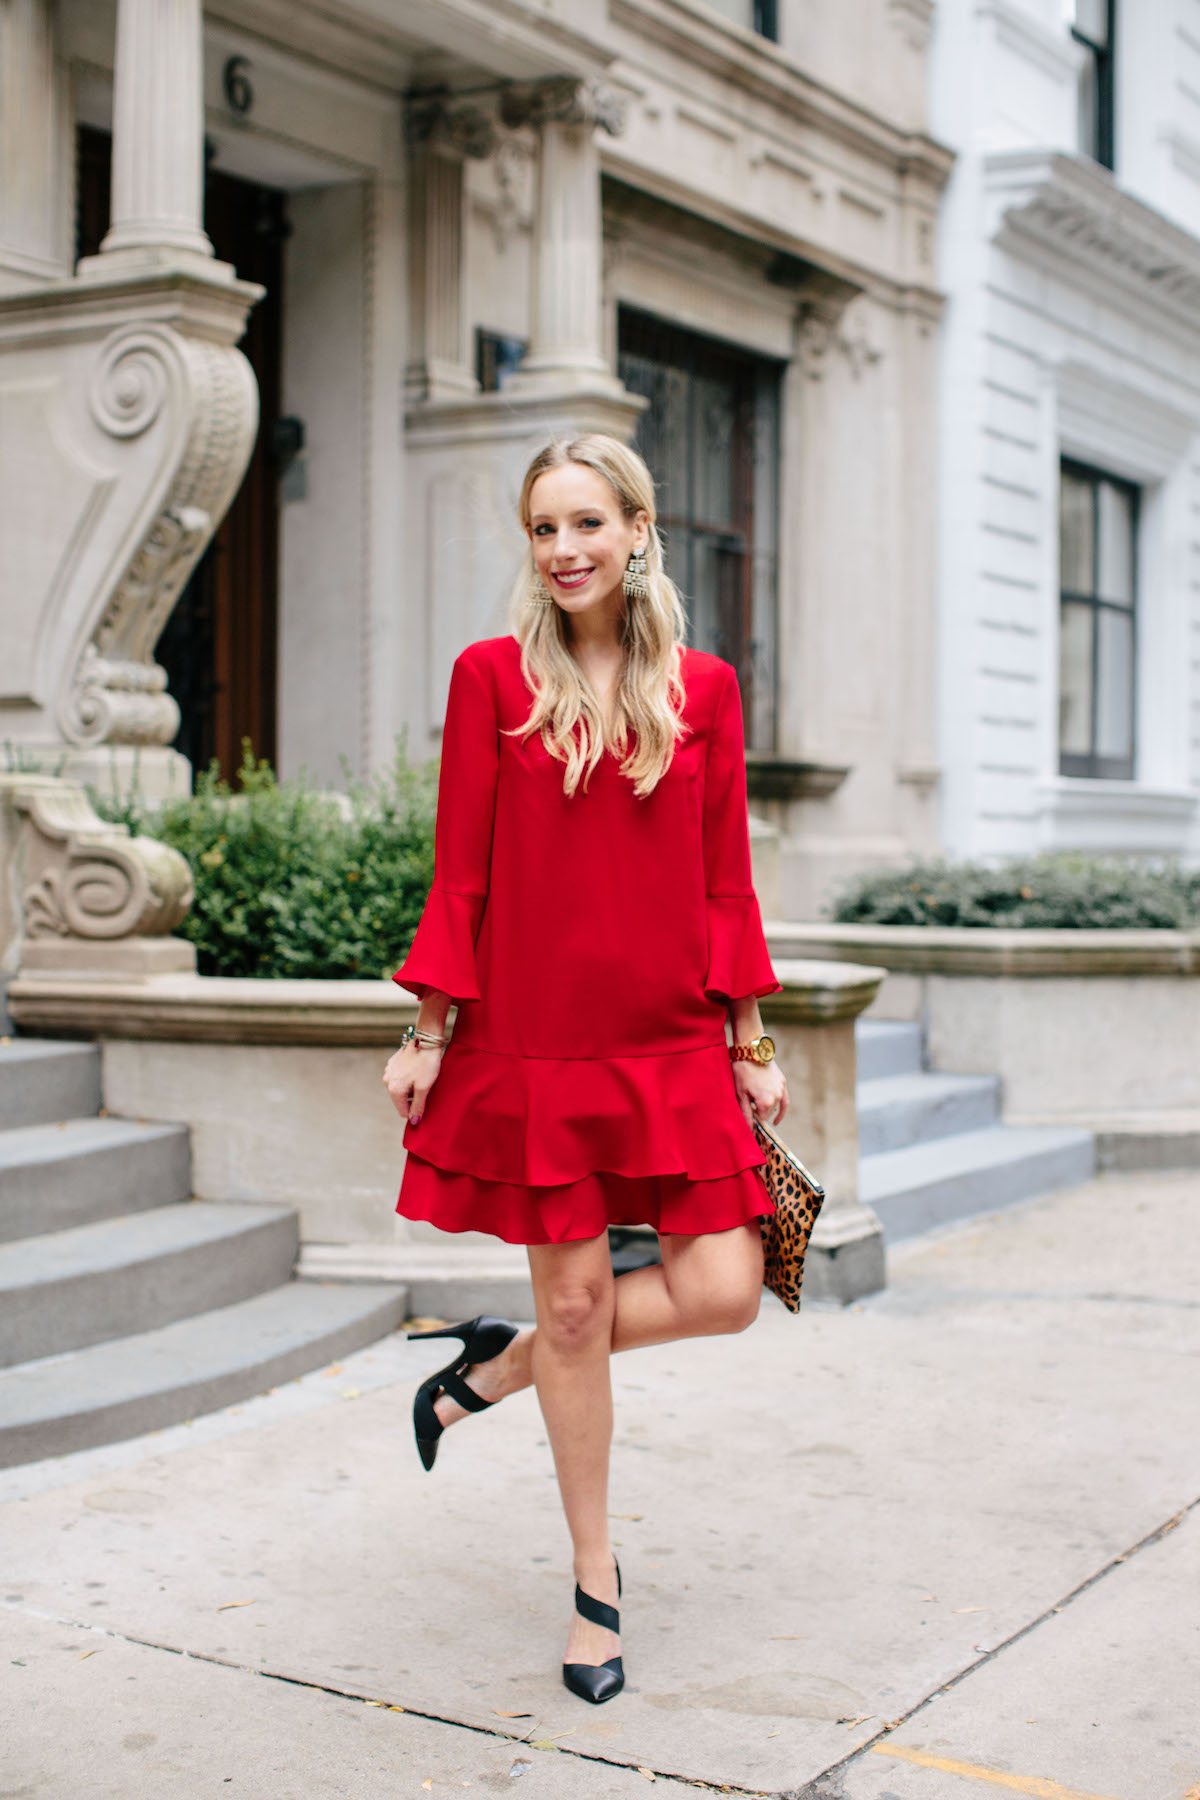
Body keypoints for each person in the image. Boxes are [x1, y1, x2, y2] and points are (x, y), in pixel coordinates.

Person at [383, 433, 787, 1706]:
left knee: (725, 1285)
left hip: (669, 1036)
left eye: (586, 525)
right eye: (543, 529)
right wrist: (429, 1029)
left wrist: (751, 1040)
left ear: (637, 529)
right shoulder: (489, 677)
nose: (564, 551)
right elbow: (463, 870)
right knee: (576, 1312)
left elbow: (726, 876)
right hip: (533, 1039)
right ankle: (596, 1591)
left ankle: (493, 1370)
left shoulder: (705, 691)